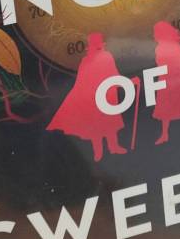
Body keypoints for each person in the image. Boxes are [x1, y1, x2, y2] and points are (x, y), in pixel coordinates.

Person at [47, 33, 127, 163]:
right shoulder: (86, 61)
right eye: (96, 46)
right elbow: (81, 82)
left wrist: (128, 83)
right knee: (96, 128)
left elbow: (115, 75)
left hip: (109, 96)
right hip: (93, 99)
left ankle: (114, 147)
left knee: (110, 124)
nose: (98, 48)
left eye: (99, 46)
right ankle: (98, 152)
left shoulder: (107, 57)